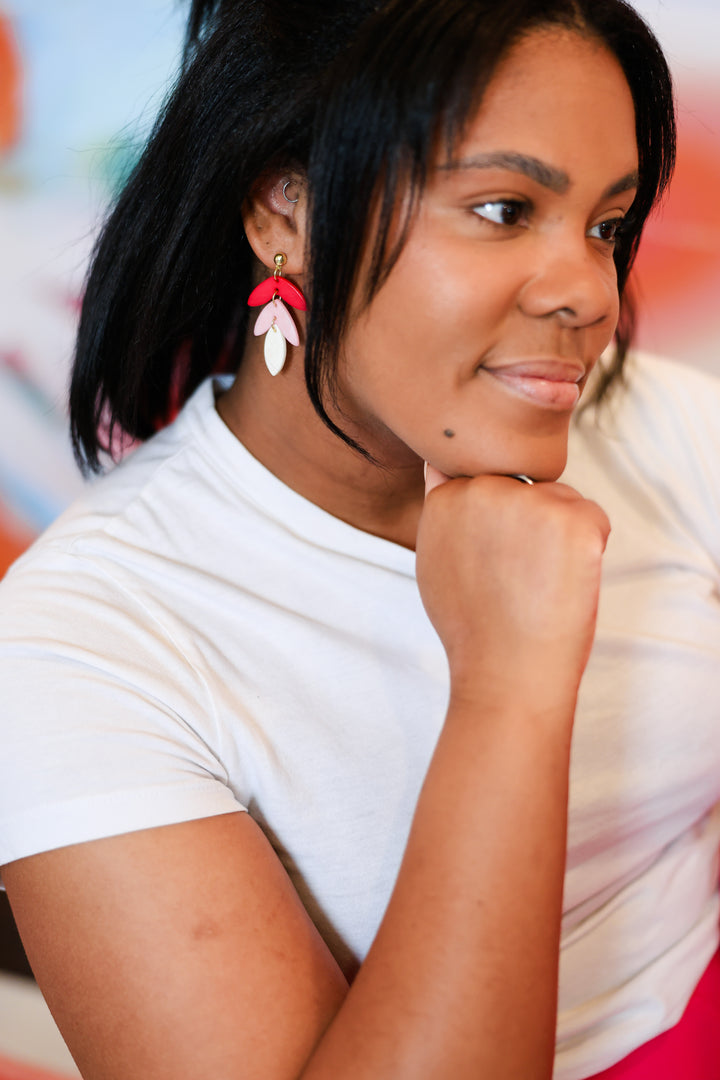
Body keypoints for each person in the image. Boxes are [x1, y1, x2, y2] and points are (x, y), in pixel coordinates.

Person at [1, 0, 717, 1076]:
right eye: (504, 207)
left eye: (607, 226)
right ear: (283, 208)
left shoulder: (660, 423)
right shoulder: (82, 644)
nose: (590, 293)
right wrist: (509, 687)